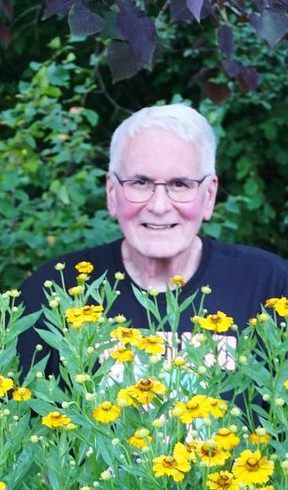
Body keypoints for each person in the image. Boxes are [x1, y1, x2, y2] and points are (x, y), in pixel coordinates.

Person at [18, 103, 288, 375]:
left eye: (180, 185)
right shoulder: (55, 291)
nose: (159, 206)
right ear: (112, 193)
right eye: (140, 183)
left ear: (209, 196)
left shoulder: (269, 286)